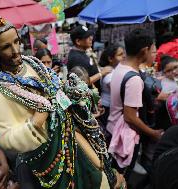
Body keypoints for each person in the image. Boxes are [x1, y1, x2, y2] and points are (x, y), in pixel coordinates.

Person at [0, 17, 125, 189]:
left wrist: (72, 93)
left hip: (71, 134)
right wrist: (35, 123)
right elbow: (5, 138)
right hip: (44, 158)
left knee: (99, 172)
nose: (15, 50)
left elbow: (56, 89)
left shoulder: (33, 64)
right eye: (6, 47)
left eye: (16, 42)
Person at [106, 29, 163, 181]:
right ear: (144, 51)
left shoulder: (120, 68)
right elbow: (130, 117)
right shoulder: (134, 79)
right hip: (124, 137)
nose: (154, 54)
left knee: (115, 174)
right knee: (122, 178)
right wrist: (152, 133)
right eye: (152, 51)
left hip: (113, 129)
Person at [67, 25, 112, 92]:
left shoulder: (82, 52)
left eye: (90, 35)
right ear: (78, 41)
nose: (91, 38)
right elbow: (82, 82)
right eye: (87, 37)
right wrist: (101, 73)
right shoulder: (76, 58)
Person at [99, 44, 125, 126]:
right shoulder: (109, 73)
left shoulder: (115, 70)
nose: (124, 56)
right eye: (120, 54)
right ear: (110, 59)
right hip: (108, 109)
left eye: (123, 53)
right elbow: (118, 93)